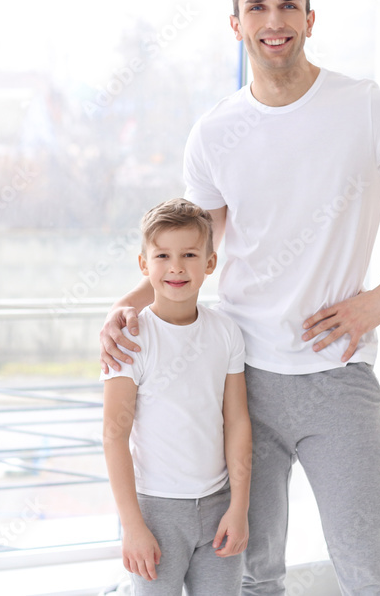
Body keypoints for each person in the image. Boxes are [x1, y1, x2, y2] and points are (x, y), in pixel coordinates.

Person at [100, 0, 380, 596]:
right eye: (257, 7)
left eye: (288, 5)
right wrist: (125, 306)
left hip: (338, 376)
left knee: (366, 565)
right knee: (253, 570)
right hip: (240, 377)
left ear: (310, 18)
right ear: (237, 24)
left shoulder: (369, 109)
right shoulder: (215, 132)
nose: (274, 19)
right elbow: (193, 252)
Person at [101, 198, 252, 596]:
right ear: (143, 264)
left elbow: (237, 421)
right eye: (162, 255)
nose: (176, 267)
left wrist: (238, 508)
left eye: (189, 254)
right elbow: (114, 436)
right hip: (155, 511)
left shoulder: (226, 332)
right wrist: (133, 526)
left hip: (218, 507)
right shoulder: (130, 339)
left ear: (210, 262)